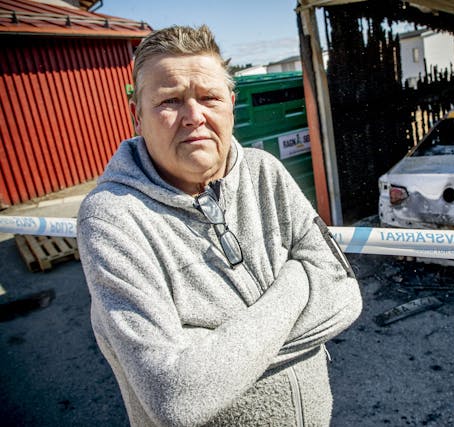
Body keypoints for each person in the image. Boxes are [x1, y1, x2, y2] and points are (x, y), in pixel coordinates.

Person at [77, 25, 362, 427]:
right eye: (170, 101)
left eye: (209, 97)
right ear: (137, 115)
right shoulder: (112, 218)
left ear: (231, 103)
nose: (194, 117)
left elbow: (346, 296)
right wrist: (300, 278)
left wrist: (212, 357)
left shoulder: (265, 173)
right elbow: (177, 394)